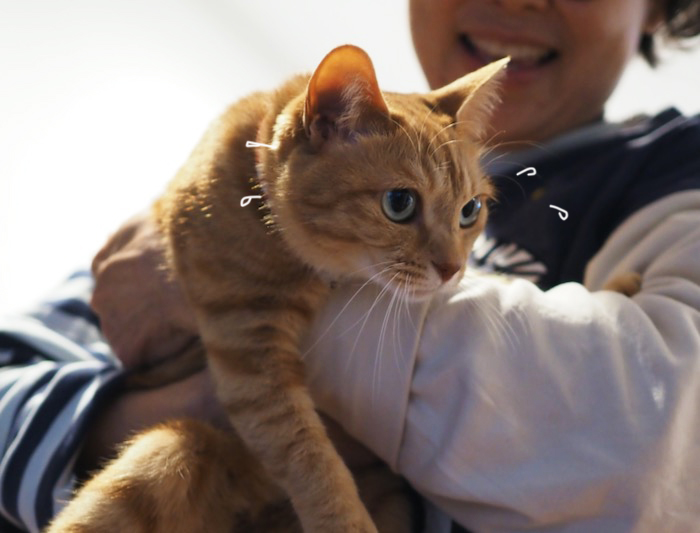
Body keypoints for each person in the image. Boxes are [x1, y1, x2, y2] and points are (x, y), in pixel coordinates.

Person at [2, 0, 700, 531]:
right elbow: (12, 379)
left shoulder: (673, 162)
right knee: (168, 460)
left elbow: (658, 437)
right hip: (183, 478)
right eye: (401, 205)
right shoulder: (256, 172)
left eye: (469, 214)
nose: (450, 264)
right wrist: (180, 414)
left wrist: (227, 301)